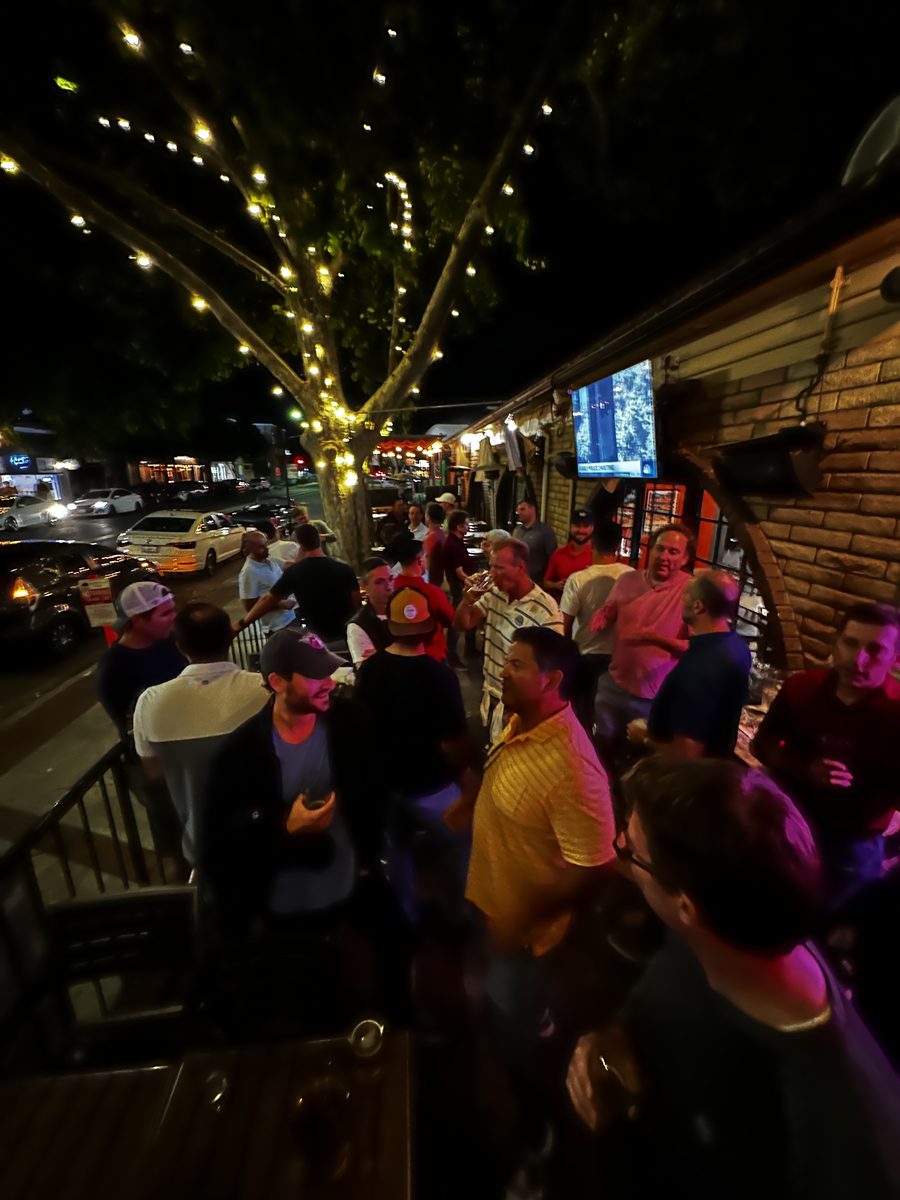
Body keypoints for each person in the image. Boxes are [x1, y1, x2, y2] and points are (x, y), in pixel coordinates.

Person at [566, 757, 900, 1200]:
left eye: (630, 851)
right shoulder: (726, 933)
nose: (619, 845)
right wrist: (608, 1045)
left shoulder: (847, 1133)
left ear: (687, 905)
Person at [201, 628, 376, 932]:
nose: (327, 683)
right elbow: (219, 844)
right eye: (314, 675)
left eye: (328, 672)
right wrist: (285, 828)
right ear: (277, 682)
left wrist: (368, 860)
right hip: (282, 908)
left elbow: (374, 793)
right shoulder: (239, 754)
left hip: (350, 888)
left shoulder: (353, 723)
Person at [752, 602, 900, 907]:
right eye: (850, 642)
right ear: (836, 642)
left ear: (895, 658)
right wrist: (805, 769)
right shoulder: (802, 687)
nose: (858, 659)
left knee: (828, 928)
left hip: (852, 845)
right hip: (788, 824)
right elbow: (762, 744)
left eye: (875, 650)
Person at [356, 588, 475, 920]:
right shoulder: (440, 675)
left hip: (386, 785)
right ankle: (463, 913)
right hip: (431, 786)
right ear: (430, 627)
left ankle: (405, 916)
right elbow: (453, 742)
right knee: (467, 840)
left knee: (399, 850)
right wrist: (467, 785)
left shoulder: (372, 669)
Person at [132, 603, 268, 867]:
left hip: (202, 843)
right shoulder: (265, 690)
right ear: (230, 637)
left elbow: (154, 771)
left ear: (180, 647)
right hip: (267, 833)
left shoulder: (151, 702)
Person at [591, 523, 694, 760]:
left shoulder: (691, 591)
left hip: (654, 698)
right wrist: (604, 614)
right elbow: (611, 609)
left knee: (642, 759)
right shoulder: (628, 580)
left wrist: (651, 637)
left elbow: (696, 648)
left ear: (686, 558)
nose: (664, 557)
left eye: (673, 552)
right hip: (613, 684)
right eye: (660, 549)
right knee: (602, 750)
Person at [629, 570, 751, 759]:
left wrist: (644, 738)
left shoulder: (698, 669)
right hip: (716, 769)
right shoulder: (738, 648)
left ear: (697, 606)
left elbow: (687, 753)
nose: (682, 599)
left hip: (680, 780)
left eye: (686, 595)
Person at [455, 538, 563, 740]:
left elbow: (552, 670)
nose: (491, 573)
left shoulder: (546, 610)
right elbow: (463, 624)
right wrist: (466, 601)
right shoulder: (495, 593)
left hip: (518, 707)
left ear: (520, 567)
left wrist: (523, 709)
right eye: (490, 567)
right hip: (491, 694)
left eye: (498, 568)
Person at [236, 524, 360, 647]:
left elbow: (267, 599)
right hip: (348, 636)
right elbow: (357, 604)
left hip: (318, 642)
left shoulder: (293, 572)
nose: (266, 548)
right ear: (319, 541)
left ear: (299, 545)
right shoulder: (345, 569)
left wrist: (241, 624)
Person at [561, 521, 633, 726]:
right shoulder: (631, 576)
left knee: (583, 713)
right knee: (611, 718)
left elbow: (564, 623)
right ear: (618, 545)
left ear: (591, 544)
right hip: (620, 657)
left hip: (586, 656)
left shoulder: (578, 579)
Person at [96, 581, 185, 737]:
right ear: (137, 620)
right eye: (165, 613)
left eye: (173, 610)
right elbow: (129, 727)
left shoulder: (170, 640)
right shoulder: (113, 668)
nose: (174, 618)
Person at [391, 537, 455, 662]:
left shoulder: (391, 588)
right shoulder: (433, 593)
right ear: (420, 560)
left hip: (399, 657)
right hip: (431, 656)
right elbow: (450, 619)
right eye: (425, 556)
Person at [238, 529, 297, 634]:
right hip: (276, 627)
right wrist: (281, 604)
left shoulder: (270, 560)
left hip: (290, 618)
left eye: (266, 544)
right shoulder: (249, 572)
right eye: (261, 547)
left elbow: (289, 565)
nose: (266, 549)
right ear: (249, 548)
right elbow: (249, 606)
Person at [346, 557, 393, 666]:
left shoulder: (404, 612)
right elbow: (366, 672)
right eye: (379, 582)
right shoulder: (358, 625)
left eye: (390, 579)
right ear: (364, 586)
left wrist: (382, 658)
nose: (388, 587)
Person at [543, 508, 595, 598]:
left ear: (592, 528)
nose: (581, 530)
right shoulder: (559, 554)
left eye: (585, 526)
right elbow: (545, 583)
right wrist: (556, 585)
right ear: (570, 527)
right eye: (577, 525)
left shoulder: (598, 556)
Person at [513, 497, 557, 585]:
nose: (519, 513)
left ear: (532, 509)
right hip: (517, 580)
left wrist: (547, 582)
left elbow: (553, 558)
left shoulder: (545, 531)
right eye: (518, 510)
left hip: (536, 583)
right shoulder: (517, 530)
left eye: (522, 509)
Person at [423, 501, 447, 586]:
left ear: (428, 517)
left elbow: (428, 564)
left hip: (433, 579)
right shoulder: (441, 533)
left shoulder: (431, 537)